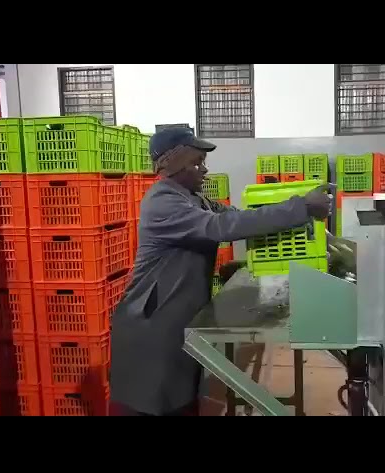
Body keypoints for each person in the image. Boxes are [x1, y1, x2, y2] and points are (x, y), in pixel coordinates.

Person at [109, 127, 332, 416]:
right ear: (174, 164)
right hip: (153, 324)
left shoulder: (192, 198)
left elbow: (236, 217)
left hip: (176, 316)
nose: (204, 170)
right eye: (196, 162)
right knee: (151, 402)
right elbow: (221, 228)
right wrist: (301, 207)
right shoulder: (163, 202)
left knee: (180, 397)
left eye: (204, 162)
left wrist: (291, 209)